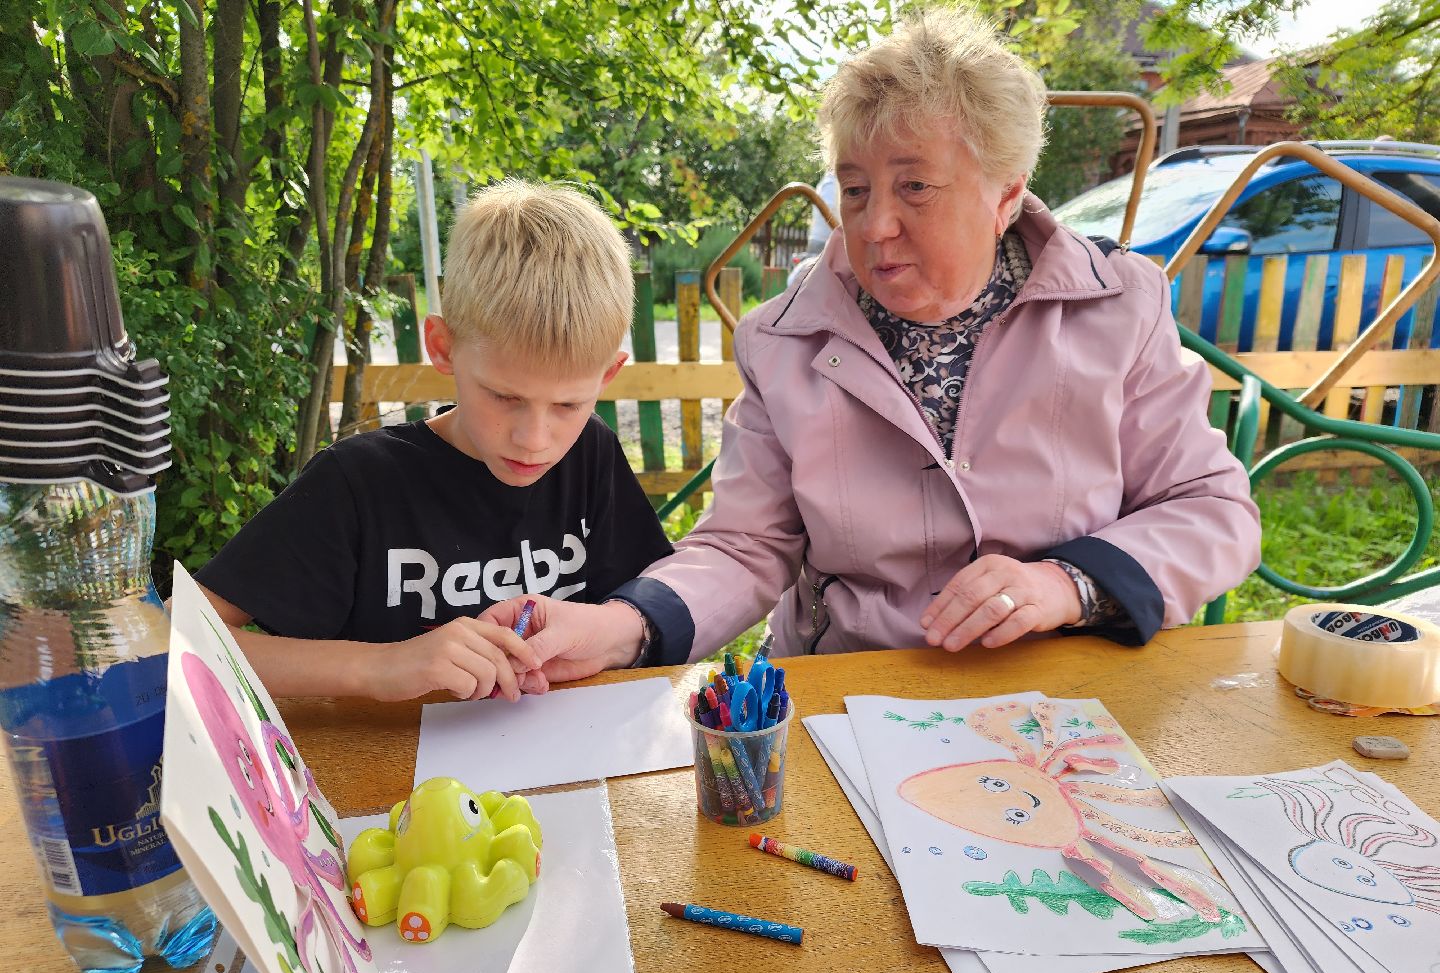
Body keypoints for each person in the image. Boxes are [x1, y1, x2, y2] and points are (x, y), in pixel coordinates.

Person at [483, 8, 1260, 677]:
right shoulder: (784, 341)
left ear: (1008, 192)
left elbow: (1212, 510)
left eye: (914, 186)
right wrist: (624, 625)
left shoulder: (1118, 306)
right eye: (855, 189)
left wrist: (1069, 584)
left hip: (1068, 682)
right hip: (853, 689)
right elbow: (746, 547)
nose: (873, 225)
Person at [197, 179, 672, 701]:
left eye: (568, 405)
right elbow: (178, 639)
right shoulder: (358, 483)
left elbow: (639, 611)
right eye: (503, 397)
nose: (535, 440)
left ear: (609, 375)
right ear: (442, 348)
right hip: (385, 774)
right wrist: (378, 668)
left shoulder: (591, 453)